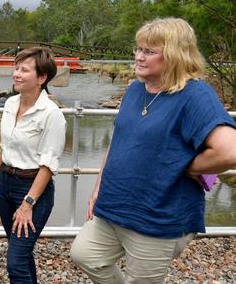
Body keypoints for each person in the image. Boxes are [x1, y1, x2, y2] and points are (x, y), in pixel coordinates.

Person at [70, 18, 236, 284]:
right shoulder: (135, 89)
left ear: (174, 55)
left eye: (149, 51)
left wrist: (187, 166)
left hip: (155, 216)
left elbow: (230, 151)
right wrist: (98, 188)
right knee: (85, 254)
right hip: (113, 207)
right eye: (138, 49)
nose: (139, 57)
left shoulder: (194, 95)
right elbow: (118, 141)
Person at [0, 47, 66, 283]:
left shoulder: (51, 114)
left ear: (42, 78)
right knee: (20, 252)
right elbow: (7, 146)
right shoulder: (11, 103)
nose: (16, 74)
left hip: (32, 190)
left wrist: (28, 203)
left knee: (15, 261)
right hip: (6, 184)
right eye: (16, 68)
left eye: (24, 70)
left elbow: (48, 165)